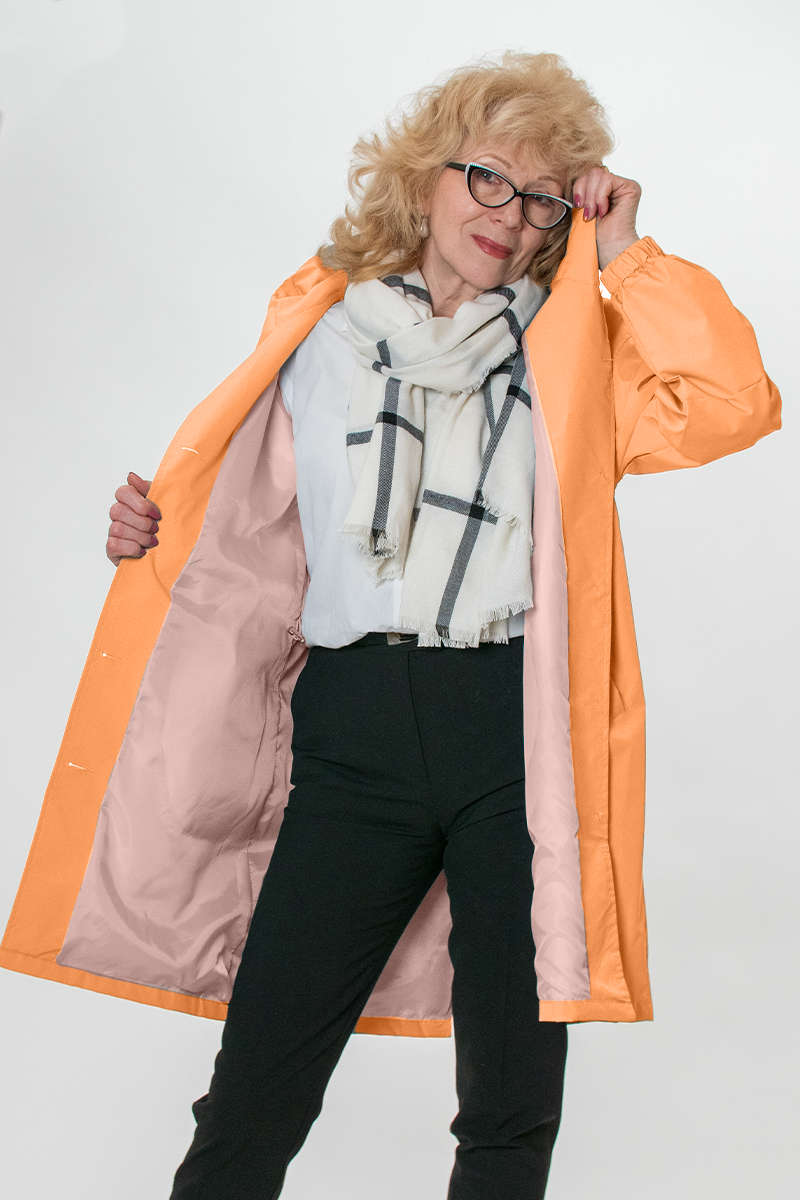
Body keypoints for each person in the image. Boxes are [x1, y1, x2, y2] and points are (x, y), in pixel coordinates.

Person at [0, 51, 781, 1200]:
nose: (506, 215)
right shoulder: (320, 335)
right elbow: (253, 525)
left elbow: (732, 404)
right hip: (352, 735)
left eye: (540, 198)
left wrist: (625, 254)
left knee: (507, 1109)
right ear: (423, 176)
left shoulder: (570, 356)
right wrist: (152, 529)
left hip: (512, 739)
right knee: (252, 1097)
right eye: (486, 177)